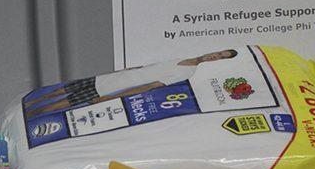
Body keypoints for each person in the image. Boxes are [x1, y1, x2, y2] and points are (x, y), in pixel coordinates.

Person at [23, 49, 239, 118]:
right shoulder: (183, 55)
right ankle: (28, 106)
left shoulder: (188, 73)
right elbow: (148, 66)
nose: (214, 57)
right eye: (217, 54)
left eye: (220, 58)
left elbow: (150, 86)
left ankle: (32, 116)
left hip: (112, 88)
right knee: (61, 90)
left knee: (67, 102)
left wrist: (113, 97)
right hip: (109, 78)